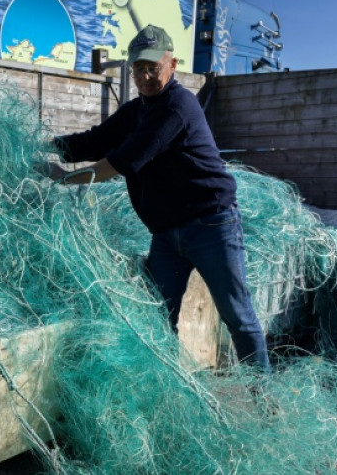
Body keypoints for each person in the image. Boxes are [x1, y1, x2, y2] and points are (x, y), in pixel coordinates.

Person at [38, 25, 270, 371]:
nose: (145, 76)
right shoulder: (136, 111)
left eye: (153, 68)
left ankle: (261, 392)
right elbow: (95, 140)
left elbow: (125, 160)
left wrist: (66, 179)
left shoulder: (178, 105)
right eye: (138, 69)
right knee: (158, 318)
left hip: (212, 225)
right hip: (166, 234)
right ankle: (166, 389)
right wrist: (47, 145)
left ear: (172, 64)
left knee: (238, 315)